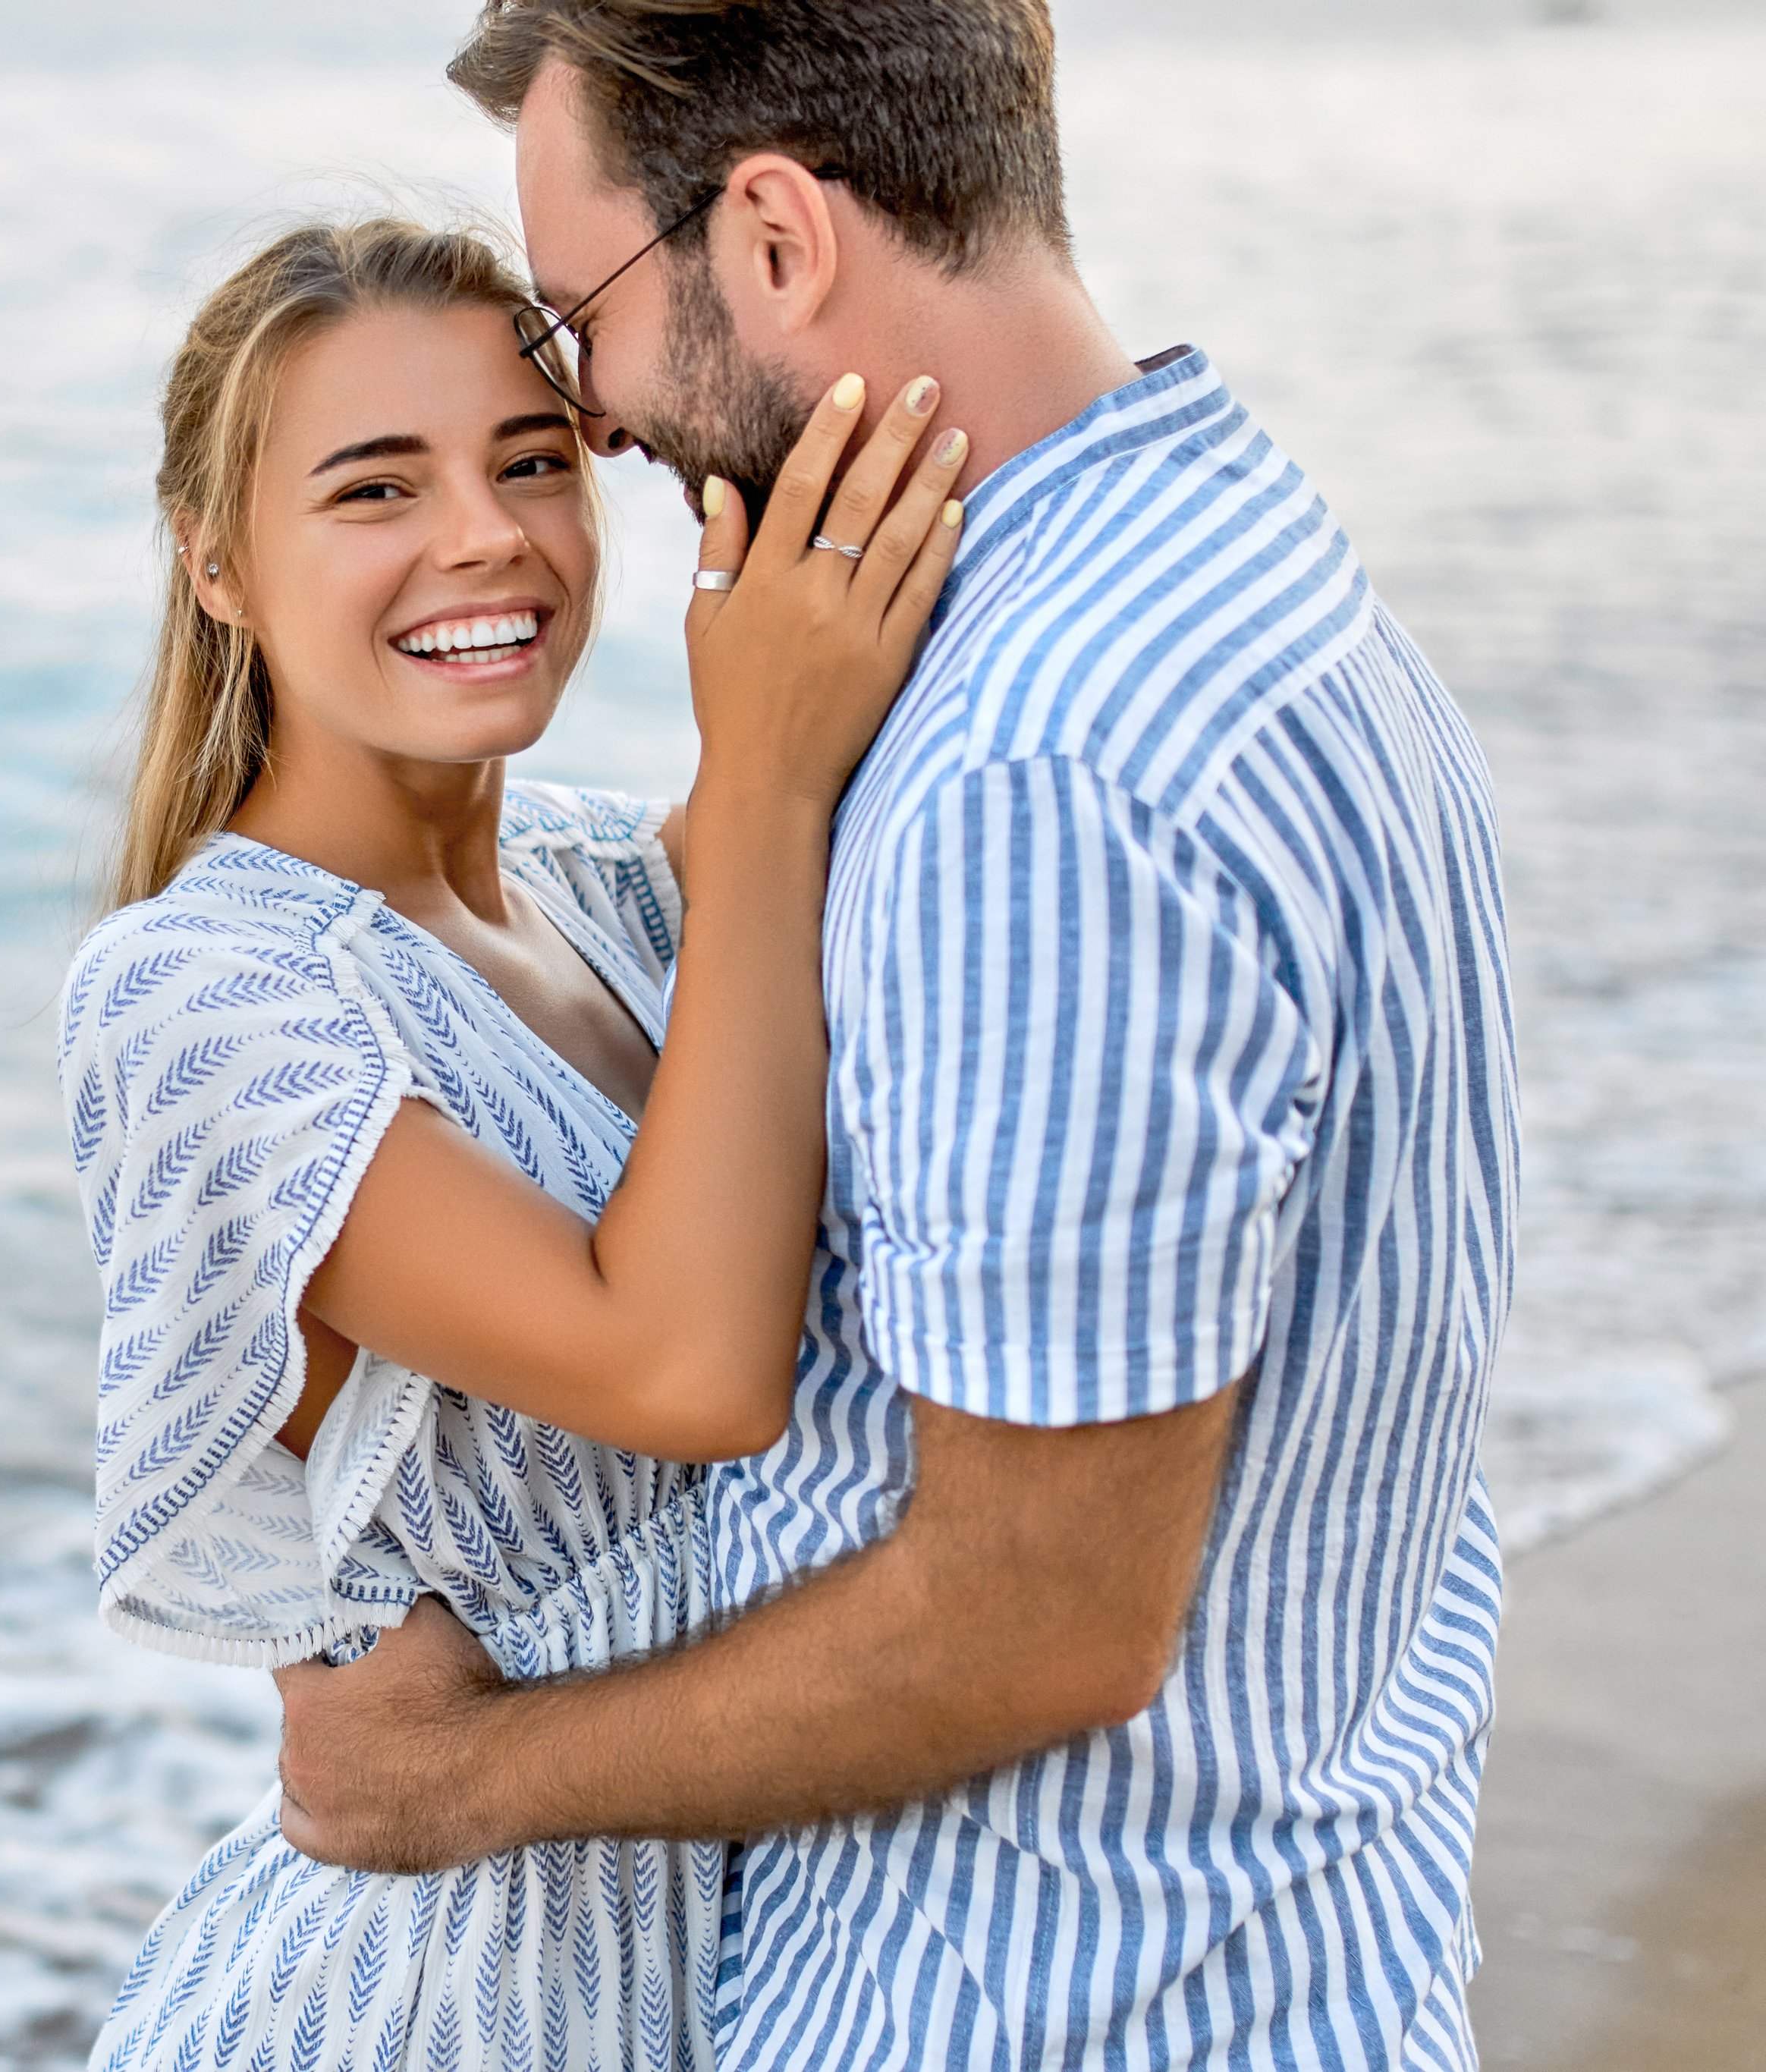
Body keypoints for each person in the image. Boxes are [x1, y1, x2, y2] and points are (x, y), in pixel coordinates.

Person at [268, 4, 1519, 2068]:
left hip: (1050, 2005)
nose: (588, 414)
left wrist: (450, 1779)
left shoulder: (1037, 770)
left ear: (771, 237)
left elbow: (1036, 1614)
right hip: (1306, 1949)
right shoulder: (1246, 571)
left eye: (586, 308)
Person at [59, 215, 960, 2067]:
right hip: (446, 1995)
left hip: (726, 1947)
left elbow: (831, 649)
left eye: (532, 461)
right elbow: (684, 1364)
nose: (484, 536)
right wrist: (772, 764)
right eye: (372, 487)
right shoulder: (203, 993)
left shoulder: (589, 882)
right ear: (214, 566)